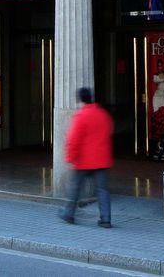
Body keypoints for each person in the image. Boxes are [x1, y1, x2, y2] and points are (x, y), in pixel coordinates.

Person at [61, 87, 113, 227]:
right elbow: (109, 130)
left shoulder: (81, 116)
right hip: (101, 159)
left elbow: (73, 139)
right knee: (102, 189)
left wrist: (70, 158)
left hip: (84, 160)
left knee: (75, 187)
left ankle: (69, 214)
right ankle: (106, 219)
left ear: (81, 100)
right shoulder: (103, 114)